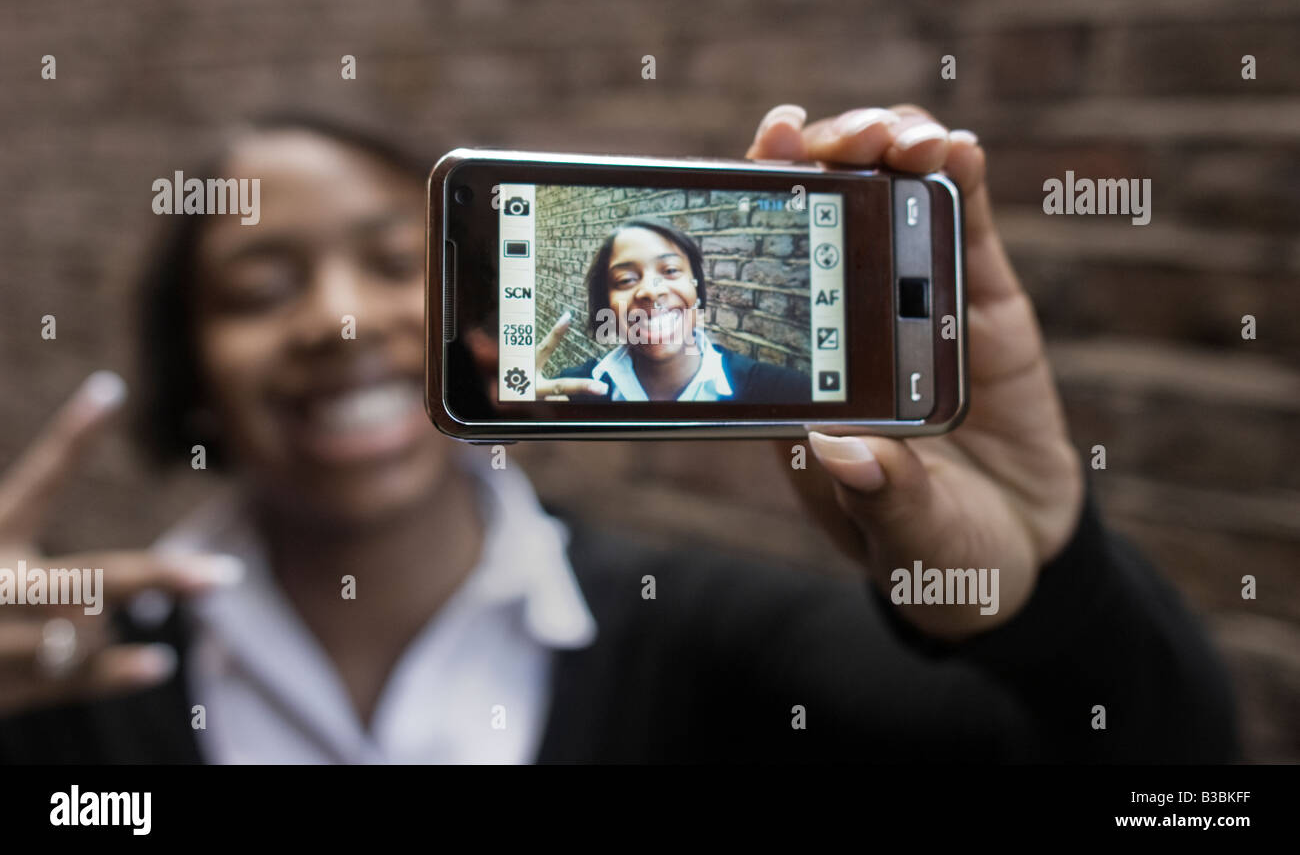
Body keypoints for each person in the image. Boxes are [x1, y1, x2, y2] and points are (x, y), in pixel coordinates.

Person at [0, 104, 1238, 763]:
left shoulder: (713, 645)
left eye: (392, 261)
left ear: (477, 328)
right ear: (194, 376)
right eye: (262, 288)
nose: (336, 321)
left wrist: (1050, 580)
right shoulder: (76, 690)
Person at [538, 217, 810, 403]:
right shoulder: (570, 392)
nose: (651, 291)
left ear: (697, 288)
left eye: (670, 271)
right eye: (626, 280)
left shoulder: (785, 392)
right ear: (605, 304)